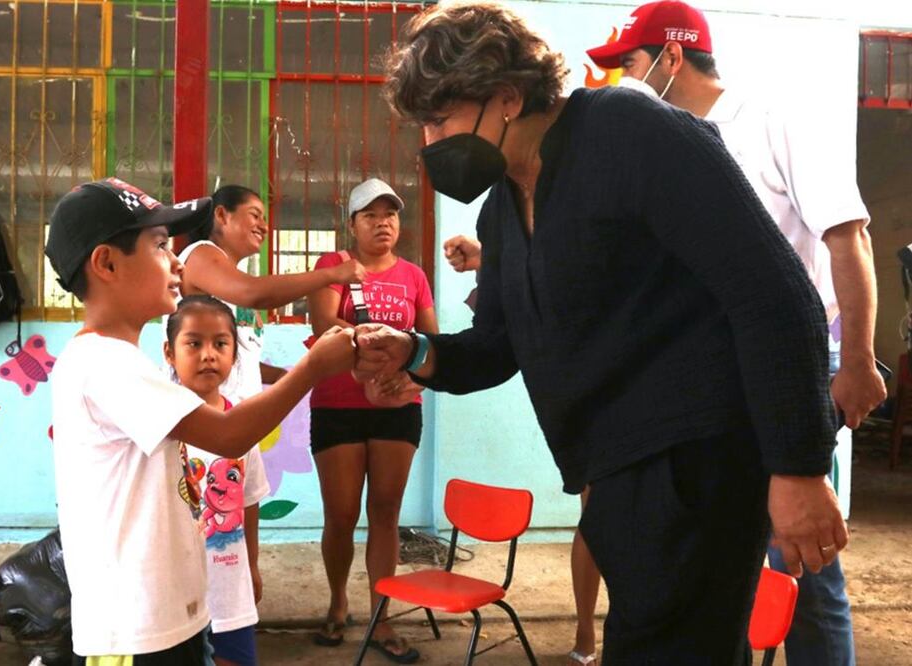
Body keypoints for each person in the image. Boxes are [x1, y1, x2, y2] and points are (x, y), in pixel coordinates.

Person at [357, 3, 849, 662]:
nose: (430, 143)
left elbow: (774, 293)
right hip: (614, 475)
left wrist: (798, 468)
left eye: (439, 120)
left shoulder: (628, 132)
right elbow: (498, 344)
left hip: (697, 462)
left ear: (507, 95)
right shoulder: (504, 207)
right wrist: (414, 352)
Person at [586, 3, 886, 664]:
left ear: (671, 57)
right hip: (701, 384)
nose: (621, 83)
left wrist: (858, 361)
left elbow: (848, 237)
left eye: (629, 65)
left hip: (785, 369)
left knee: (800, 559)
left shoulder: (772, 122)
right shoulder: (664, 147)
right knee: (714, 564)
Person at [44, 177, 356, 665]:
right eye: (159, 245)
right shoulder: (103, 364)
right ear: (106, 263)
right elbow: (228, 434)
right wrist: (313, 368)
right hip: (134, 635)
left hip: (161, 622)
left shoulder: (120, 361)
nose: (176, 262)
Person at [444, 234, 602, 666]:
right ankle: (587, 632)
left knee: (633, 522)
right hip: (589, 399)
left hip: (639, 387)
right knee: (597, 518)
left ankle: (621, 632)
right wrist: (490, 261)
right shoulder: (539, 245)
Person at [307, 178, 437, 663]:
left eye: (391, 214)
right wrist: (381, 349)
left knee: (385, 513)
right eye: (371, 215)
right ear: (353, 224)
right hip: (338, 403)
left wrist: (410, 382)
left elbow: (431, 342)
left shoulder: (414, 276)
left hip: (398, 408)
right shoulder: (334, 266)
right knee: (340, 515)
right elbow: (324, 326)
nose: (383, 223)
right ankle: (338, 602)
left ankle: (381, 618)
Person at [178, 185, 367, 403]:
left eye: (264, 219)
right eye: (255, 215)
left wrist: (278, 375)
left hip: (235, 414)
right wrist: (331, 274)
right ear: (221, 215)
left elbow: (238, 361)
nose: (264, 227)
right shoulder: (200, 254)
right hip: (201, 413)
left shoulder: (232, 281)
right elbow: (255, 293)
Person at [164, 295, 270, 666]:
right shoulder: (159, 426)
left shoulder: (242, 429)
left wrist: (252, 566)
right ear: (169, 353)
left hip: (229, 590)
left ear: (234, 355)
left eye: (220, 344)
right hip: (174, 593)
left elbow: (249, 501)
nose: (208, 355)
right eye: (194, 343)